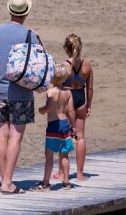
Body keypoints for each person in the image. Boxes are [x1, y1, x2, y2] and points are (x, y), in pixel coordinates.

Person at [0, 0, 39, 195]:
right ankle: (8, 182)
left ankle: (2, 180)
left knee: (1, 134)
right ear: (25, 13)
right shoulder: (29, 35)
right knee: (15, 136)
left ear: (10, 11)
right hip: (22, 93)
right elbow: (39, 65)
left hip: (0, 92)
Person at [32, 63, 75, 192]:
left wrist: (41, 110)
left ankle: (45, 183)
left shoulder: (51, 92)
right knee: (64, 155)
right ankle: (66, 182)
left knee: (49, 155)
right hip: (64, 124)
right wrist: (72, 125)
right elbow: (71, 111)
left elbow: (49, 108)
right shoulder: (68, 92)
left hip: (53, 125)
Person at [57, 33, 94, 181]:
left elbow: (57, 85)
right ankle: (80, 173)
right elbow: (90, 89)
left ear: (66, 49)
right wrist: (89, 105)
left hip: (67, 99)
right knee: (80, 136)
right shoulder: (87, 65)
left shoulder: (64, 66)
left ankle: (61, 172)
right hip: (81, 98)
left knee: (64, 136)